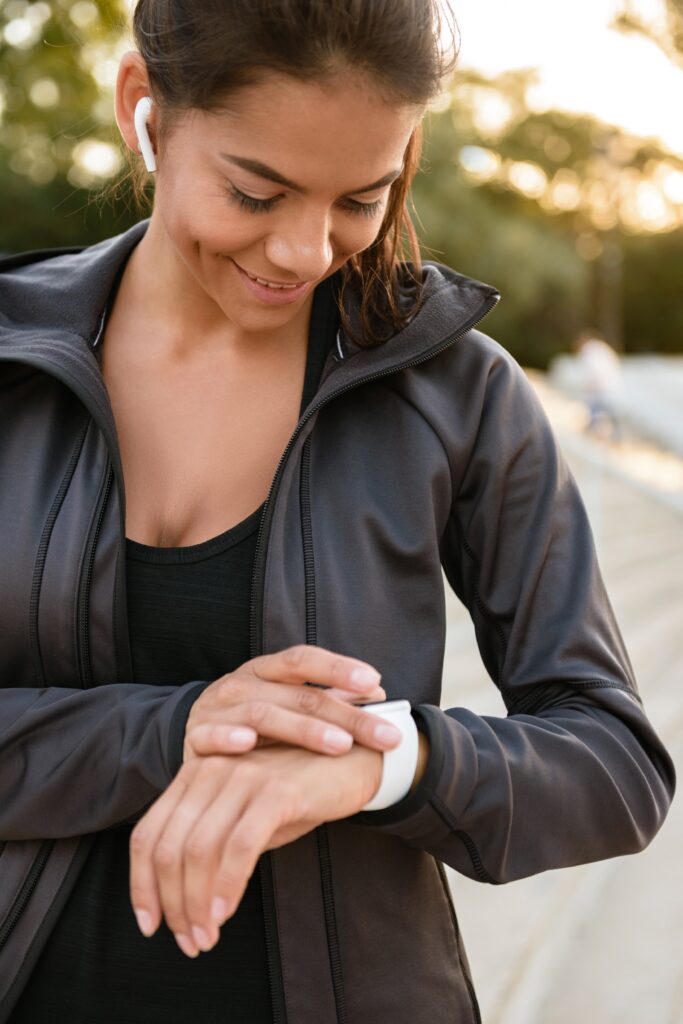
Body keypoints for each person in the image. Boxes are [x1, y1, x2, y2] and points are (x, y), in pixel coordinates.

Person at [0, 2, 675, 1022]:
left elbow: (613, 765)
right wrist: (179, 727)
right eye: (253, 192)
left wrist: (382, 760)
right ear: (143, 105)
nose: (305, 251)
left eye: (362, 198)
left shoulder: (457, 393)